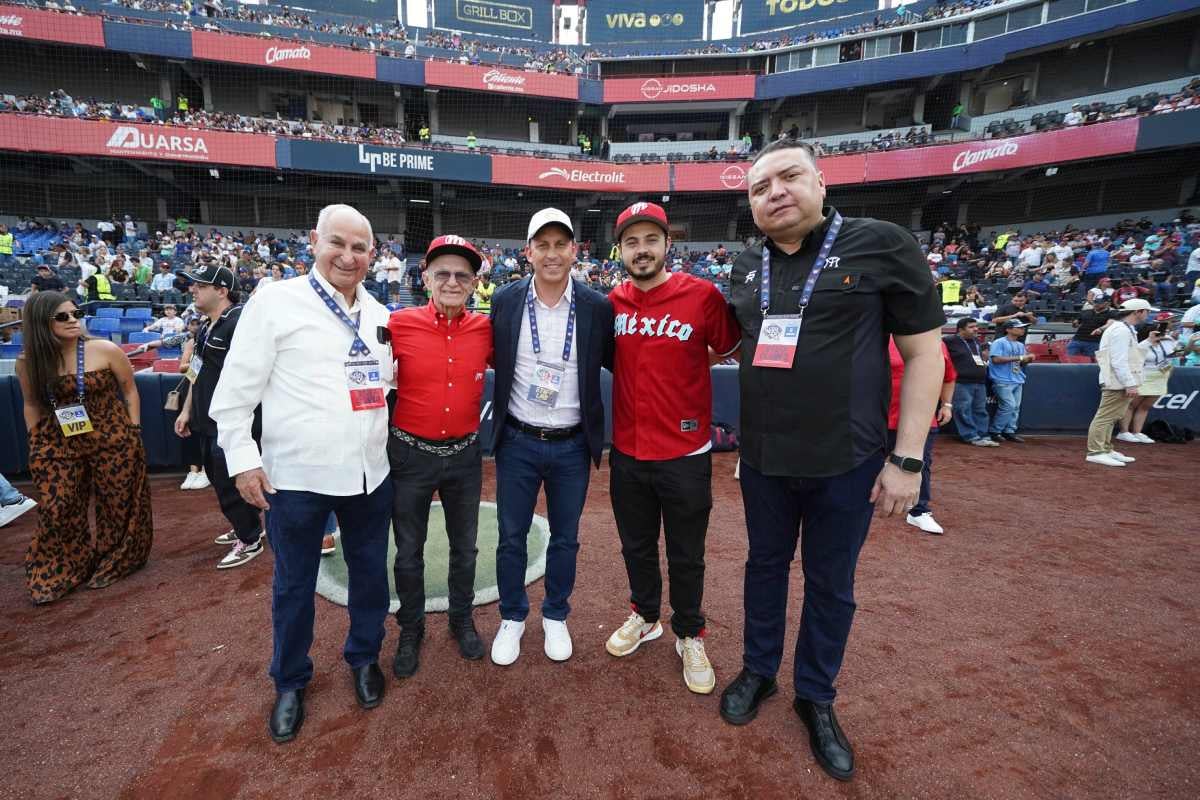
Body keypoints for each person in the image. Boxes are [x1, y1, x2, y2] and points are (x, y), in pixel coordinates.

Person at [722, 139, 946, 782]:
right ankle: (759, 671)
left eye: (789, 177)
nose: (775, 193)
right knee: (763, 568)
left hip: (848, 462)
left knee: (830, 586)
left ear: (821, 183)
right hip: (764, 461)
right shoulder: (744, 266)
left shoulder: (882, 243)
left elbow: (925, 356)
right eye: (760, 187)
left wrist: (908, 461)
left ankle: (815, 696)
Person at [209, 204, 395, 743]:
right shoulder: (273, 302)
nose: (348, 256)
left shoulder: (381, 314)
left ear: (372, 255)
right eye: (338, 242)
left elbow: (384, 389)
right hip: (296, 479)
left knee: (369, 575)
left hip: (369, 474)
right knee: (293, 585)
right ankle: (289, 680)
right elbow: (232, 398)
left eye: (360, 248)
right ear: (314, 241)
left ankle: (363, 657)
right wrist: (243, 460)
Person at [603, 202, 741, 695]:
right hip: (628, 452)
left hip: (685, 452)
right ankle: (645, 615)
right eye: (632, 242)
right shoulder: (611, 302)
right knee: (635, 546)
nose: (642, 249)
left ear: (667, 245)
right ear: (620, 250)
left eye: (650, 240)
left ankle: (690, 631)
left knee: (687, 553)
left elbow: (728, 347)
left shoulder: (701, 295)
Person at [486, 208, 614, 667]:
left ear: (574, 251)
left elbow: (623, 365)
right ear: (528, 252)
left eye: (561, 244)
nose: (552, 253)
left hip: (572, 446)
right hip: (518, 441)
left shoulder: (598, 306)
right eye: (543, 245)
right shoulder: (505, 299)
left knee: (566, 537)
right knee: (510, 537)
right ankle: (513, 617)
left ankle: (556, 614)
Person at [386, 236, 493, 678]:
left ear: (473, 283)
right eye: (443, 273)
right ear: (426, 278)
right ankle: (411, 629)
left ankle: (460, 619)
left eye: (462, 275)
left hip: (465, 456)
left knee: (464, 547)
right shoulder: (396, 324)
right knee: (408, 550)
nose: (452, 281)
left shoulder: (487, 329)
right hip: (410, 456)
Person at [14, 291, 153, 604]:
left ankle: (116, 559)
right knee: (57, 505)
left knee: (118, 503)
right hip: (57, 440)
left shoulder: (104, 349)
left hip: (111, 435)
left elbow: (129, 390)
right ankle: (61, 568)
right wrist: (35, 440)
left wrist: (133, 429)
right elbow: (31, 404)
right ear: (40, 323)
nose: (73, 321)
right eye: (62, 317)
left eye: (75, 314)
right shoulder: (28, 362)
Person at [173, 264, 266, 569]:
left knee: (230, 482)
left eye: (201, 285)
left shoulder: (238, 322)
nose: (193, 289)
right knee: (218, 478)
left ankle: (250, 538)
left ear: (222, 291)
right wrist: (186, 410)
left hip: (231, 422)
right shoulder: (205, 326)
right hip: (205, 419)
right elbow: (195, 374)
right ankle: (249, 525)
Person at [887, 338, 956, 534]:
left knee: (920, 464)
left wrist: (947, 405)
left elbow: (949, 376)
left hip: (921, 420)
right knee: (862, 464)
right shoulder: (878, 337)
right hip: (876, 418)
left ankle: (919, 511)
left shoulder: (934, 343)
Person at [1085, 299, 1155, 467]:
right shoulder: (1120, 330)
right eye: (1147, 311)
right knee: (1105, 417)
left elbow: (1132, 354)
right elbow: (1119, 361)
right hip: (1116, 380)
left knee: (1112, 416)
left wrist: (1149, 342)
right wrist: (1130, 383)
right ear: (1137, 312)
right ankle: (1096, 451)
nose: (1149, 314)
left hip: (1119, 380)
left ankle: (1106, 448)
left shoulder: (1126, 329)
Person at [1116, 316, 1177, 445]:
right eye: (1156, 331)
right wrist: (1150, 341)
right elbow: (1135, 356)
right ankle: (1124, 432)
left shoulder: (1167, 341)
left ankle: (1137, 432)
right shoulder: (1139, 344)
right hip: (1142, 376)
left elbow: (1172, 355)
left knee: (1146, 406)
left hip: (1160, 376)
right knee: (1131, 405)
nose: (1160, 333)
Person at [944, 319, 996, 447]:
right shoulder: (949, 340)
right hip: (961, 381)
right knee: (963, 409)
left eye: (976, 326)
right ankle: (970, 435)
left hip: (979, 381)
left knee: (980, 410)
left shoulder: (976, 341)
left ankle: (982, 434)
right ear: (961, 329)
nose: (976, 329)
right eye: (971, 327)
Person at [987, 320, 1035, 443]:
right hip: (1002, 379)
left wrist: (1028, 359)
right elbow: (996, 359)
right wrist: (1020, 357)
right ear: (1008, 329)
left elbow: (1021, 362)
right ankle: (995, 431)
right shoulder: (999, 342)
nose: (1022, 329)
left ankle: (1009, 431)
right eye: (1019, 327)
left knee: (1015, 407)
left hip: (1017, 378)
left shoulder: (1020, 345)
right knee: (1009, 406)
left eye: (1022, 327)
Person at [1068, 295, 1112, 359]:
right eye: (1095, 302)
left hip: (1094, 342)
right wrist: (1075, 323)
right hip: (1077, 339)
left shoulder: (1111, 313)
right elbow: (1075, 323)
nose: (1096, 304)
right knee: (1069, 359)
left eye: (1099, 302)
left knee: (1092, 363)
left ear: (1107, 303)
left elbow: (1111, 323)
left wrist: (1101, 329)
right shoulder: (1085, 312)